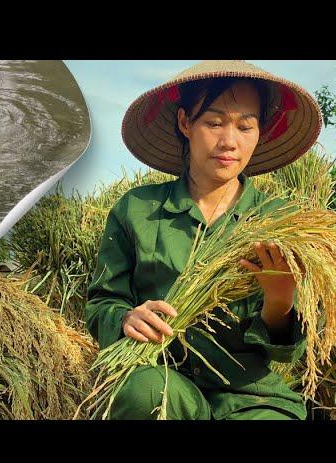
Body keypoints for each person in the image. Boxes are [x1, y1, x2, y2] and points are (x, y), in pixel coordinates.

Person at [85, 60, 323, 420]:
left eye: (246, 126)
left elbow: (289, 350)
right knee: (145, 393)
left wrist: (279, 300)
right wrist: (124, 318)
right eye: (213, 123)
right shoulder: (137, 210)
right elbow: (102, 301)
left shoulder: (279, 222)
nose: (229, 142)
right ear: (185, 123)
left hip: (250, 397)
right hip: (161, 374)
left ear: (260, 132)